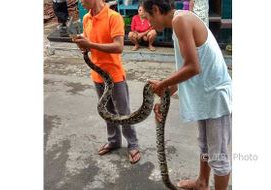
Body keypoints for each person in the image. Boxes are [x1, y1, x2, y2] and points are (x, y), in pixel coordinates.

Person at [142, 0, 231, 189]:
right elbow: (186, 71)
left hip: (216, 97)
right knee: (205, 145)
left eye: (148, 17)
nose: (149, 23)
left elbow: (193, 67)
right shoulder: (179, 21)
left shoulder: (180, 21)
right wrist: (164, 98)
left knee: (219, 156)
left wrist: (163, 83)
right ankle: (202, 182)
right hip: (206, 95)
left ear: (156, 10)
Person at [72, 0, 141, 164]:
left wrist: (90, 44)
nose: (81, 2)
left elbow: (118, 47)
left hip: (114, 75)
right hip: (97, 74)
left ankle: (133, 144)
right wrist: (84, 46)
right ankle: (114, 141)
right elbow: (90, 44)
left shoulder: (113, 17)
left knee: (123, 112)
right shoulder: (86, 19)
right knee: (107, 111)